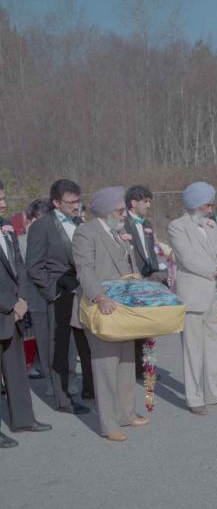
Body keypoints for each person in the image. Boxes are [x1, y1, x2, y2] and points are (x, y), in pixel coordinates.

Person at [72, 187, 150, 442]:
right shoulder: (86, 232)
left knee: (126, 363)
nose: (125, 214)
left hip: (124, 311)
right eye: (120, 210)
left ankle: (127, 414)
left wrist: (140, 286)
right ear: (106, 211)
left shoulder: (119, 232)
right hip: (101, 308)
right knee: (105, 368)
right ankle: (108, 424)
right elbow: (84, 270)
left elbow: (131, 266)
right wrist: (100, 297)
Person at [25, 179, 94, 415]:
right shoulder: (41, 226)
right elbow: (33, 266)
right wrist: (53, 292)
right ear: (56, 202)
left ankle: (88, 389)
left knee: (79, 347)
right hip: (58, 296)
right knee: (59, 350)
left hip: (80, 293)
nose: (76, 206)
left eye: (78, 200)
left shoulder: (79, 222)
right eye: (71, 202)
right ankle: (62, 400)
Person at [169, 182, 217, 416]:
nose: (211, 208)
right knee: (192, 348)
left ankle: (214, 392)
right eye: (208, 204)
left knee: (213, 344)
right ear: (196, 204)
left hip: (216, 293)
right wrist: (215, 271)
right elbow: (187, 259)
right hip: (194, 295)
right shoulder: (177, 227)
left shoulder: (211, 225)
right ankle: (194, 397)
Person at [0, 182, 52, 448]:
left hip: (14, 310)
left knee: (16, 369)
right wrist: (9, 303)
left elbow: (19, 264)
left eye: (4, 198)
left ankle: (23, 419)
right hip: (4, 307)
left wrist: (22, 298)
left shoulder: (6, 226)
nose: (4, 204)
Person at [123, 185, 168, 380]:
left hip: (150, 281)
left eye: (149, 201)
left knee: (149, 328)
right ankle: (133, 368)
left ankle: (149, 367)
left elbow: (150, 252)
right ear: (133, 203)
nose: (148, 205)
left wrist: (158, 274)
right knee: (134, 328)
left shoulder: (147, 223)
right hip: (132, 282)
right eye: (145, 201)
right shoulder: (122, 224)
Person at [17, 200, 52, 381]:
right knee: (36, 339)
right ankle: (42, 374)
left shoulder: (52, 239)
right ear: (29, 220)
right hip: (30, 300)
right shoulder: (20, 242)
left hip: (51, 297)